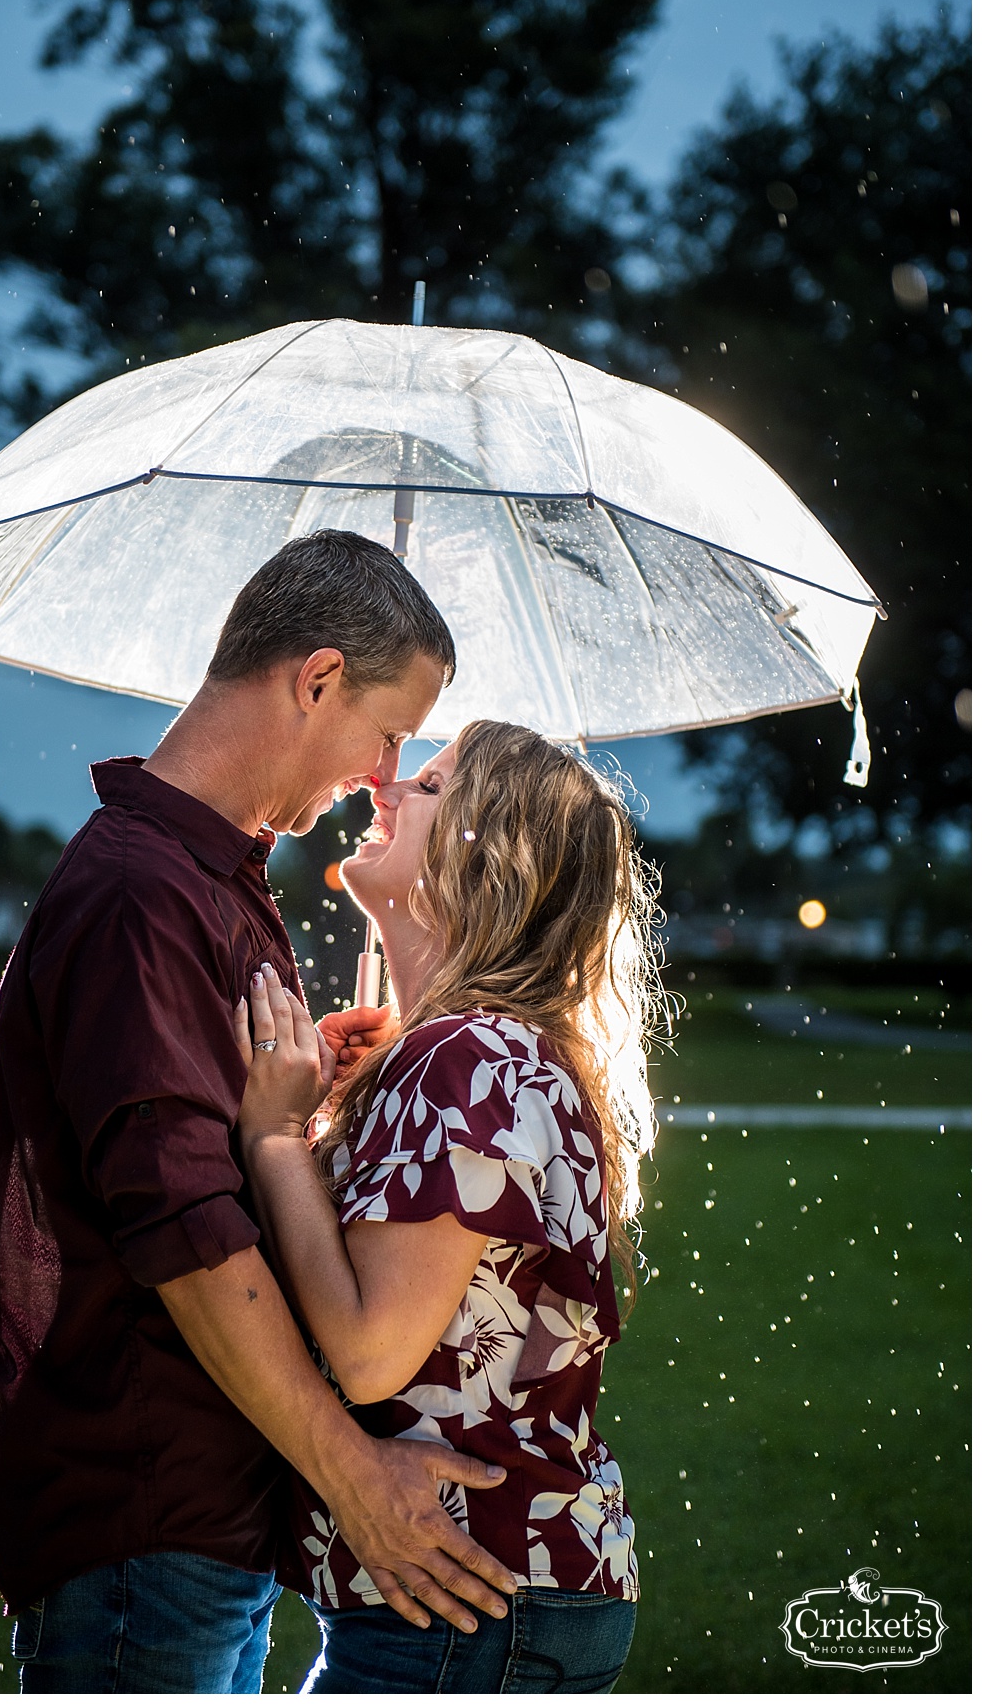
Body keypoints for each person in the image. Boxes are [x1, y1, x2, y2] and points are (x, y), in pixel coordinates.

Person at [0, 532, 521, 1694]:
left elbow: (181, 1149)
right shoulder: (142, 895)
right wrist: (356, 1479)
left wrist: (298, 1091)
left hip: (193, 1518)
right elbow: (187, 1240)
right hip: (145, 1514)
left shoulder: (207, 878)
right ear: (316, 678)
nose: (386, 774)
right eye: (388, 733)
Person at [235, 719, 662, 1693]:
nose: (383, 787)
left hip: (466, 1604)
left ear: (486, 857)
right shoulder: (484, 1051)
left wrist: (272, 1140)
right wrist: (330, 1121)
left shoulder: (466, 1060)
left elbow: (372, 1348)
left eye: (425, 785)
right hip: (491, 1592)